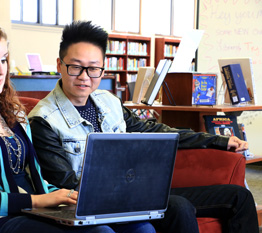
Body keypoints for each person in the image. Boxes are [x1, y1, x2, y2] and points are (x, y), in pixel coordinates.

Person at [0, 18, 155, 233]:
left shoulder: (9, 111)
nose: (1, 70)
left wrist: (67, 197)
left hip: (31, 210)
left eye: (3, 59)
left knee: (139, 227)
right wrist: (38, 201)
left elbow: (34, 179)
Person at [28, 21, 259, 233]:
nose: (84, 77)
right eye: (75, 67)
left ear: (102, 69)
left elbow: (153, 130)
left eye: (93, 68)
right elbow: (65, 182)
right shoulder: (44, 120)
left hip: (139, 192)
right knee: (178, 206)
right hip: (99, 203)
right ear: (60, 64)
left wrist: (217, 139)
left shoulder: (108, 102)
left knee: (239, 197)